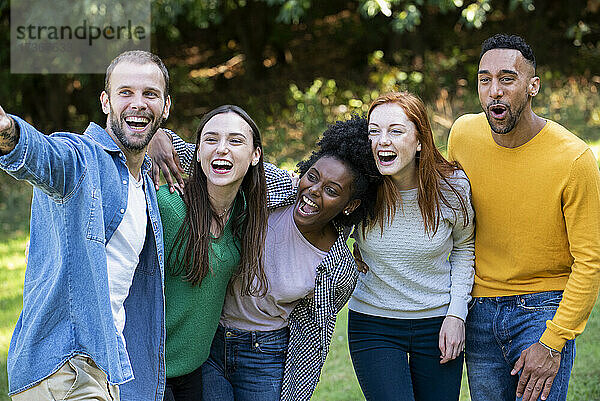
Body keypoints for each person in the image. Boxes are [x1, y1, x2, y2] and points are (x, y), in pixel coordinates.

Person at [0, 50, 171, 400]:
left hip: (102, 368)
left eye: (149, 94)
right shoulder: (82, 159)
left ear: (165, 107)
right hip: (64, 367)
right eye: (126, 93)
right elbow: (47, 157)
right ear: (106, 102)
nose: (138, 103)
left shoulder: (144, 185)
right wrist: (9, 134)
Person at [447, 34, 600, 401]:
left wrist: (553, 340)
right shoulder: (463, 135)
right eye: (485, 80)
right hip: (478, 309)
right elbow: (441, 211)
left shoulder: (573, 159)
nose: (494, 91)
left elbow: (590, 260)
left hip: (542, 308)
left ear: (532, 86)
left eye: (507, 78)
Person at [202, 116, 378, 401]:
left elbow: (313, 333)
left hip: (265, 355)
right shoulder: (272, 189)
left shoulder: (339, 269)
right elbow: (206, 158)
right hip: (210, 340)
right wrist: (162, 139)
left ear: (350, 205)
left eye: (332, 191)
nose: (313, 192)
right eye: (312, 176)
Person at [155, 105, 294, 401]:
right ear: (197, 151)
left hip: (193, 371)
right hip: (150, 371)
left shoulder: (245, 213)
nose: (222, 149)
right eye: (211, 139)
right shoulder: (167, 203)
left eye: (235, 141)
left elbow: (305, 187)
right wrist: (156, 133)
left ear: (255, 155)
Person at [348, 91, 475, 401]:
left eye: (395, 130)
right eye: (374, 132)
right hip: (373, 324)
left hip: (438, 322)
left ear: (419, 140)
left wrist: (457, 314)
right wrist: (351, 251)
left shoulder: (452, 187)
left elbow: (464, 246)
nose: (382, 141)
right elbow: (324, 229)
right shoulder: (361, 187)